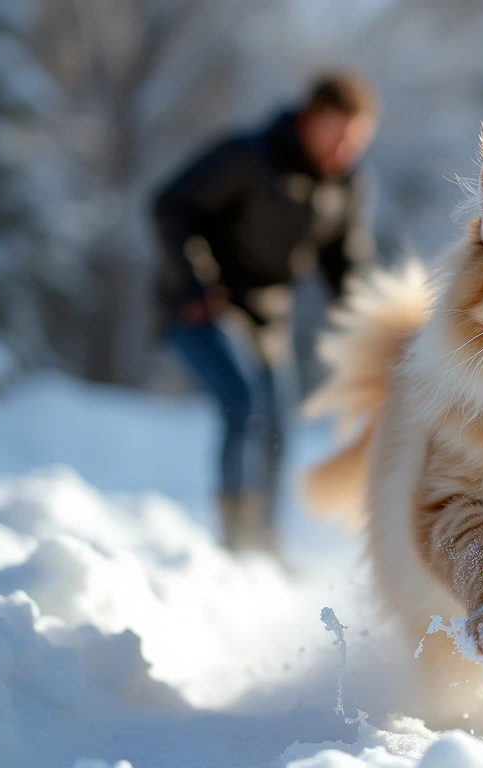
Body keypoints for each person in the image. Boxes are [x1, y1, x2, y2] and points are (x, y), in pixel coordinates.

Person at [152, 72, 379, 552]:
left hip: (268, 316)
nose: (345, 149)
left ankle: (265, 540)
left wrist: (373, 324)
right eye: (337, 134)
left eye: (356, 141)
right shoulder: (248, 156)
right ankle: (235, 536)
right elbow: (170, 204)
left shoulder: (346, 185)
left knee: (280, 422)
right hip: (203, 304)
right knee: (243, 400)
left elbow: (346, 266)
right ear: (308, 121)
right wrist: (196, 283)